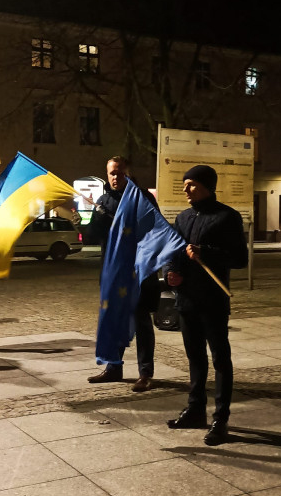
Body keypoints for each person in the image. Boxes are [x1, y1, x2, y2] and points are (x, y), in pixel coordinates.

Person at [165, 165, 248, 445]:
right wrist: (171, 273)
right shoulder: (184, 217)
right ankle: (195, 410)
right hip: (187, 300)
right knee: (195, 359)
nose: (185, 190)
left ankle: (220, 419)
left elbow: (239, 259)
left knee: (220, 360)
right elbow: (174, 251)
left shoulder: (227, 217)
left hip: (212, 301)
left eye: (191, 185)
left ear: (207, 186)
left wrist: (206, 252)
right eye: (185, 184)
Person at [87, 155, 160, 392]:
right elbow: (93, 235)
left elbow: (155, 231)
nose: (115, 177)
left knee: (141, 321)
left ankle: (145, 373)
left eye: (118, 172)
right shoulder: (103, 200)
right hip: (113, 270)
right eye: (111, 173)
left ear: (127, 171)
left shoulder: (142, 197)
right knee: (114, 319)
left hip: (138, 269)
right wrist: (92, 219)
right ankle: (113, 367)